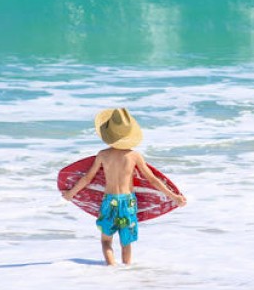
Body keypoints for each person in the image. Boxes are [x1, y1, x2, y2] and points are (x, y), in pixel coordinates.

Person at [62, 108, 186, 266]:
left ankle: (111, 270)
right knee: (126, 242)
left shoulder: (103, 155)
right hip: (128, 203)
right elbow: (153, 180)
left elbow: (87, 178)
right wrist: (174, 197)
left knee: (106, 240)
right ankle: (125, 273)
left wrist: (70, 194)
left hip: (109, 201)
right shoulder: (134, 156)